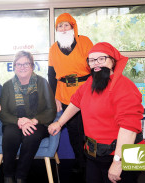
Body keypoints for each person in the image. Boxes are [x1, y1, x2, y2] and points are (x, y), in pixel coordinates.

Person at [48, 42, 145, 183]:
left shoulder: (125, 87)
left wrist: (118, 162)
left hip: (127, 153)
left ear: (112, 61)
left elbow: (129, 128)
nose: (96, 64)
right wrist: (59, 123)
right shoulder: (90, 83)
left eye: (101, 59)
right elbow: (75, 102)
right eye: (92, 60)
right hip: (97, 152)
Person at [0, 51, 57, 183]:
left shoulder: (42, 82)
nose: (22, 67)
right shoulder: (8, 85)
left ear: (32, 66)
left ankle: (21, 176)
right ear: (14, 67)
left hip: (38, 123)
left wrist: (33, 121)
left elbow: (51, 110)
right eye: (19, 64)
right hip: (14, 122)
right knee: (10, 136)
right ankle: (8, 175)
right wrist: (19, 121)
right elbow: (3, 113)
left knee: (31, 136)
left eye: (26, 63)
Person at [48, 12, 93, 174]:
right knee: (74, 130)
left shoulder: (85, 42)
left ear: (73, 27)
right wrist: (55, 98)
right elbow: (51, 76)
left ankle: (92, 162)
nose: (63, 28)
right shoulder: (53, 49)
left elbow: (95, 66)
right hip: (65, 95)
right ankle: (80, 162)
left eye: (67, 25)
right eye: (60, 25)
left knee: (89, 130)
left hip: (87, 92)